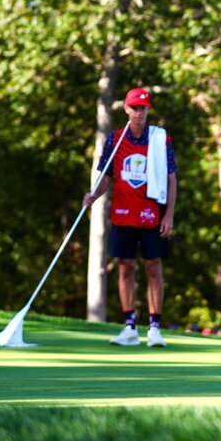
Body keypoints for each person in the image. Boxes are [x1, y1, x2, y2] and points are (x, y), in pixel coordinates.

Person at [83, 87, 177, 347]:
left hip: (152, 214)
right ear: (126, 109)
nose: (139, 113)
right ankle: (129, 327)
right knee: (125, 267)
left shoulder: (160, 139)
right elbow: (106, 177)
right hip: (123, 214)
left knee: (153, 267)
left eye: (143, 108)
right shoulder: (114, 139)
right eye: (135, 108)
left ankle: (155, 327)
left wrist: (168, 214)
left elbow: (171, 179)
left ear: (148, 110)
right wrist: (93, 195)